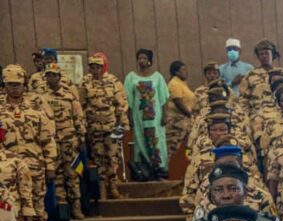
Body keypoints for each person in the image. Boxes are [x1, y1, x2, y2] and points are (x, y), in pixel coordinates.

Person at [0, 64, 57, 221]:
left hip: (34, 168)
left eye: (18, 84)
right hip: (6, 173)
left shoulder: (36, 107)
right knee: (12, 211)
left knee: (38, 210)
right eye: (10, 85)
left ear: (24, 84)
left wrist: (50, 165)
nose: (14, 88)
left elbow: (48, 139)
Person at [79, 54, 130, 199]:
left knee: (113, 157)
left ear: (103, 68)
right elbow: (81, 106)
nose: (95, 70)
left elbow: (121, 105)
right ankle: (101, 189)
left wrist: (122, 127)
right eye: (92, 67)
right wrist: (83, 129)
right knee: (98, 158)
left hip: (112, 128)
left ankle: (113, 187)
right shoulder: (84, 83)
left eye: (98, 67)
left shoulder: (113, 81)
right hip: (94, 128)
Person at [41, 63, 87, 220]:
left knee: (73, 174)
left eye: (54, 75)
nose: (51, 78)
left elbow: (78, 118)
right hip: (51, 144)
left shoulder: (69, 95)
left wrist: (81, 138)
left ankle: (76, 207)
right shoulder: (40, 97)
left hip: (69, 142)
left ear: (59, 77)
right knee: (57, 177)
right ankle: (63, 211)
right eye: (49, 75)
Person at [124, 48, 170, 178]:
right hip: (139, 118)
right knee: (140, 140)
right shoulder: (131, 77)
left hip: (156, 118)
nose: (141, 61)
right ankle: (144, 171)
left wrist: (165, 115)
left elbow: (164, 98)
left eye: (144, 58)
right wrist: (129, 116)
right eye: (139, 58)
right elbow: (128, 99)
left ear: (150, 61)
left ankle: (160, 171)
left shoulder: (158, 77)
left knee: (157, 141)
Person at [166, 61, 196, 156]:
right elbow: (178, 102)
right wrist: (191, 115)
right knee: (173, 150)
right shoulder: (174, 83)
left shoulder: (182, 83)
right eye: (183, 69)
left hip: (184, 124)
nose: (186, 71)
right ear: (176, 72)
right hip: (176, 124)